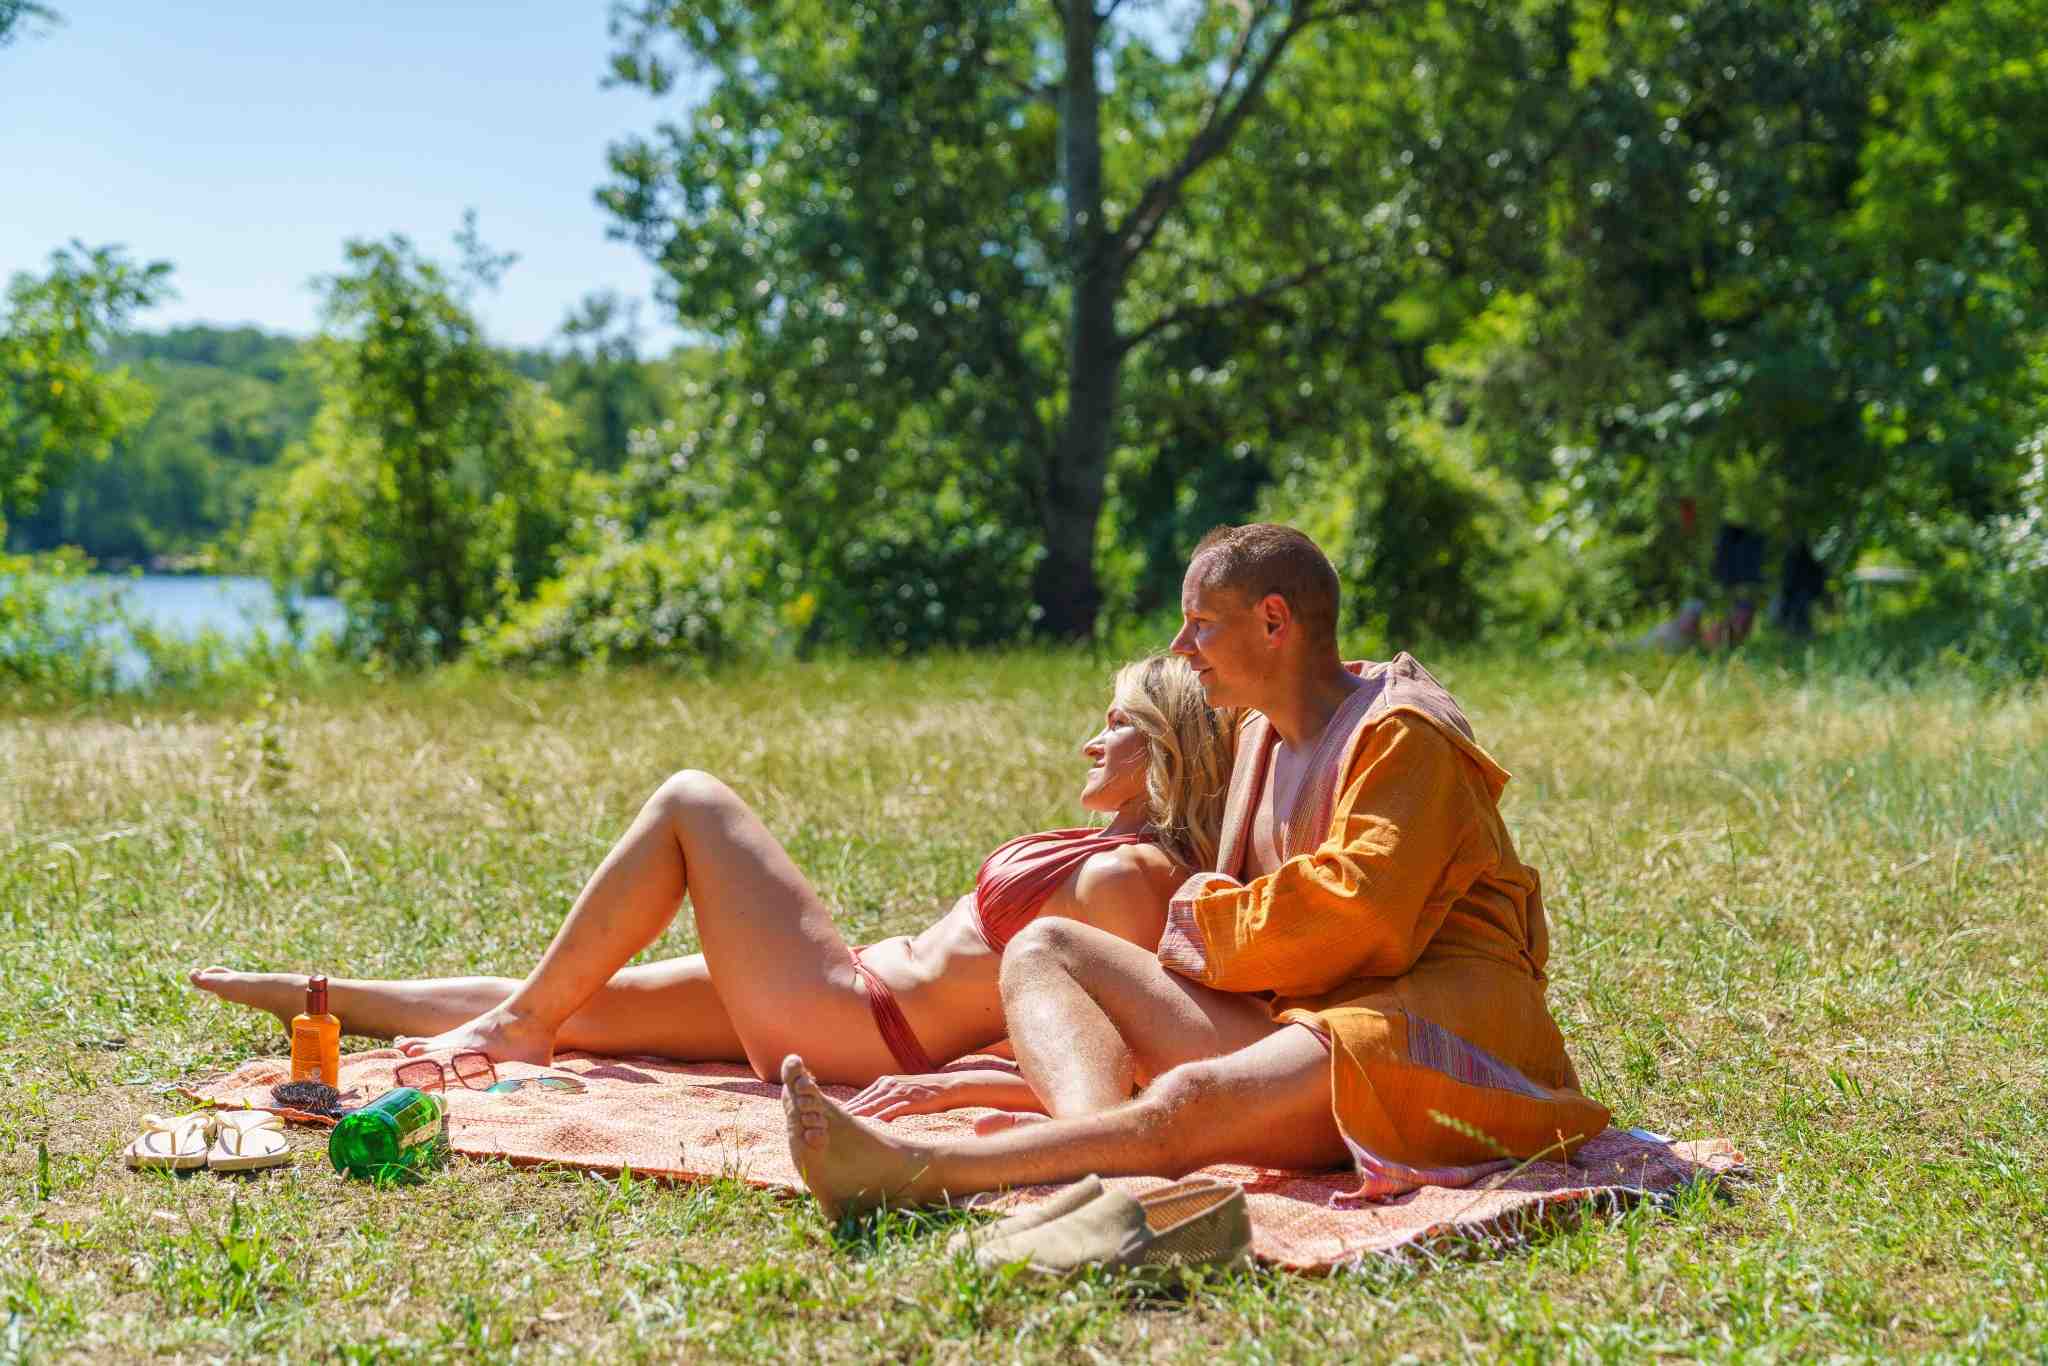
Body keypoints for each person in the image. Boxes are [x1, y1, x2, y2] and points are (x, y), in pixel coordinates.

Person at [780, 524, 1611, 1218]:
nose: (1182, 647)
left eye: (1200, 624)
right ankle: (1090, 1156)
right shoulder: (1255, 734)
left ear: (1275, 621)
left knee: (1193, 1099)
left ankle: (915, 1171)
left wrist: (1199, 909)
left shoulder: (1403, 733)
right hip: (1307, 1020)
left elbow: (1363, 917)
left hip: (1432, 1038)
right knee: (1044, 948)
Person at [189, 654, 1230, 1093]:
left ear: (1168, 745)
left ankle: (516, 1029)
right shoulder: (1109, 852)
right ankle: (311, 994)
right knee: (580, 1002)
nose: (1090, 740)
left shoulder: (1133, 877)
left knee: (692, 799)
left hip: (854, 1022)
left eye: (1116, 725)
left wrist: (969, 1082)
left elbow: (1107, 1033)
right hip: (856, 1000)